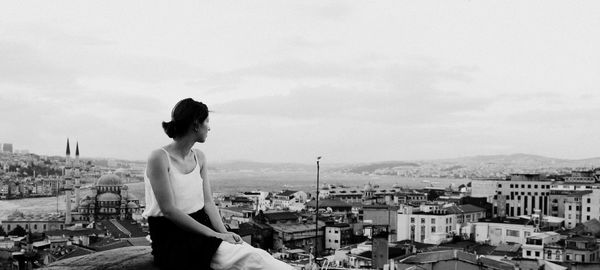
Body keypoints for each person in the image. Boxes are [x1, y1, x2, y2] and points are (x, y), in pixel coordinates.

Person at [142, 98, 294, 270]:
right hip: (173, 236)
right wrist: (215, 235)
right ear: (195, 125)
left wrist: (224, 233)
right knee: (254, 259)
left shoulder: (199, 157)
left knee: (253, 253)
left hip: (202, 229)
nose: (209, 127)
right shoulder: (159, 157)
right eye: (207, 121)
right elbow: (169, 210)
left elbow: (208, 203)